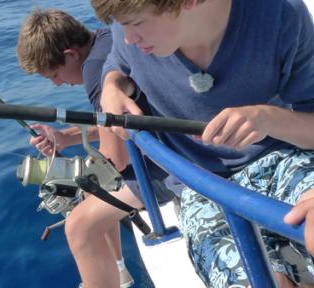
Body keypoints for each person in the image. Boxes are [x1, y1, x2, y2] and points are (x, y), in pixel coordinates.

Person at [77, 0, 314, 287]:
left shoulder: (281, 14)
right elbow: (118, 61)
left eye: (137, 24)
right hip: (200, 187)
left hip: (284, 160)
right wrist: (112, 87)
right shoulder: (127, 28)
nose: (128, 37)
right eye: (121, 25)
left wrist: (267, 119)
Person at [16, 8, 174, 288]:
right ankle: (118, 272)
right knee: (93, 186)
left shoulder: (95, 73)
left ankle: (109, 279)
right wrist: (65, 138)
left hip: (168, 166)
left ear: (71, 54)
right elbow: (112, 124)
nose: (57, 83)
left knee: (79, 226)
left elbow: (117, 160)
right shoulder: (103, 41)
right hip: (170, 142)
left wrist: (74, 176)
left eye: (54, 73)